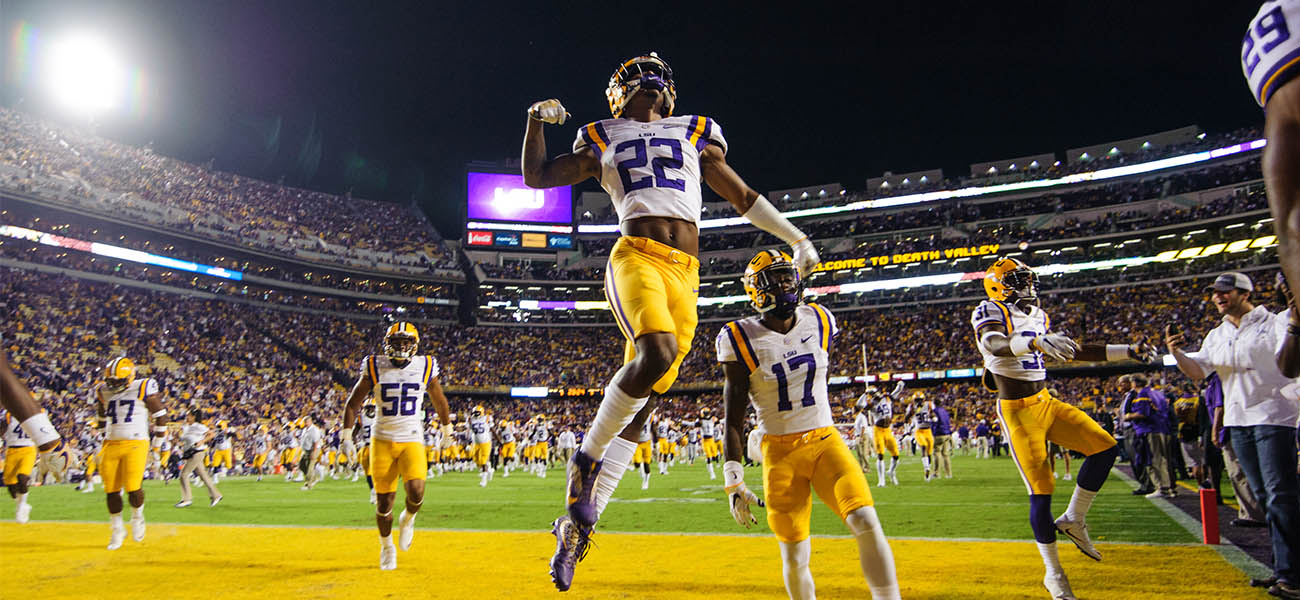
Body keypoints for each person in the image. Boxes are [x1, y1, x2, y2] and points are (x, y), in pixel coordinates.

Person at [524, 53, 822, 592]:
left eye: (655, 74)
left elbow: (743, 196)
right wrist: (534, 122)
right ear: (617, 93)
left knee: (643, 405)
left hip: (687, 272)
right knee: (657, 352)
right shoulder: (600, 134)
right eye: (636, 74)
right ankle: (584, 462)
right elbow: (537, 177)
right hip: (635, 254)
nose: (648, 80)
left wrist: (795, 238)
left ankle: (574, 528)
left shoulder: (696, 131)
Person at [718, 249, 899, 599]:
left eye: (789, 276)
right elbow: (733, 416)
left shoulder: (820, 318)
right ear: (757, 290)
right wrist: (733, 479)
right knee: (795, 553)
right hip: (779, 453)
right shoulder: (738, 337)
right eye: (777, 279)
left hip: (825, 441)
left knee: (865, 519)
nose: (786, 285)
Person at [971, 257, 1156, 600]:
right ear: (998, 284)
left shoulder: (1039, 316)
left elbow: (1075, 351)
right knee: (1042, 491)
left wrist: (1127, 351)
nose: (1027, 284)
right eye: (1017, 279)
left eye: (1027, 278)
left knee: (1105, 448)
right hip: (1018, 412)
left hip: (1046, 402)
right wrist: (1034, 343)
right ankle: (1054, 573)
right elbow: (993, 344)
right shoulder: (989, 309)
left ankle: (1073, 518)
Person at [1167, 271, 1300, 596]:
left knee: (1280, 496)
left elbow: (1292, 358)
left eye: (1225, 291)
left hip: (1274, 416)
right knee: (1266, 498)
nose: (1217, 296)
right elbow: (1199, 371)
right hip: (1239, 422)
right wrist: (1178, 353)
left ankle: (1293, 576)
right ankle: (1284, 570)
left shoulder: (1276, 322)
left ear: (1245, 293)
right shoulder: (1217, 334)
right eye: (1214, 292)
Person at [342, 322, 452, 571]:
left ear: (414, 345)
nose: (401, 347)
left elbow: (438, 399)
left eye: (406, 342)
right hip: (381, 440)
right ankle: (386, 547)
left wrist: (448, 429)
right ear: (387, 344)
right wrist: (346, 436)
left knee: (416, 492)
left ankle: (408, 519)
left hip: (412, 438)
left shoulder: (425, 365)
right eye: (396, 342)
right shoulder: (374, 365)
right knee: (383, 504)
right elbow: (352, 403)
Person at [94, 357, 169, 550]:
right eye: (111, 381)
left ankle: (137, 518)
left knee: (133, 488)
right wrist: (103, 434)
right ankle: (117, 528)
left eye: (118, 381)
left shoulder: (142, 386)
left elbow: (161, 416)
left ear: (129, 376)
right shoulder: (103, 391)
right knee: (110, 491)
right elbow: (101, 416)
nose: (113, 384)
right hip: (111, 443)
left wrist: (157, 443)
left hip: (136, 442)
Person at [1122, 374, 1174, 498]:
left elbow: (1143, 413)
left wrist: (1128, 416)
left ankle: (1162, 488)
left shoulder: (1143, 394)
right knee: (1164, 459)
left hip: (1150, 429)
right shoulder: (1157, 392)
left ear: (1135, 383)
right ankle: (1169, 487)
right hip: (1163, 428)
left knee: (1154, 459)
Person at [176, 410, 222, 508]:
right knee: (203, 476)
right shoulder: (188, 427)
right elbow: (184, 440)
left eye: (188, 415)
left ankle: (186, 499)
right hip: (191, 453)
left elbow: (212, 434)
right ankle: (216, 495)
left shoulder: (198, 426)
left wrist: (202, 441)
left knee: (184, 475)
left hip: (197, 453)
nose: (186, 417)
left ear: (193, 416)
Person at [2, 409, 36, 523]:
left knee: (23, 477)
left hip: (28, 449)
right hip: (12, 450)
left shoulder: (34, 413)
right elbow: (2, 429)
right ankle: (21, 505)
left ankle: (22, 506)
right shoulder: (8, 414)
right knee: (11, 488)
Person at [906, 394, 936, 482]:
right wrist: (912, 411)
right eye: (917, 400)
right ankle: (926, 468)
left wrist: (933, 417)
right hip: (919, 431)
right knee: (923, 447)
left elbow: (932, 413)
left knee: (929, 452)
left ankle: (928, 470)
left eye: (920, 400)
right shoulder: (911, 406)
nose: (918, 402)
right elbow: (907, 418)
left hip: (928, 430)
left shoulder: (929, 404)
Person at [468, 405, 493, 487]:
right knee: (476, 460)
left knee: (483, 461)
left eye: (477, 412)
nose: (475, 414)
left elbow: (492, 429)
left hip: (485, 442)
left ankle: (484, 481)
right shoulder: (470, 419)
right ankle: (489, 470)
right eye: (474, 412)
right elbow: (469, 430)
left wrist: (498, 440)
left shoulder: (487, 418)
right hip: (476, 443)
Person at [298, 415, 324, 491]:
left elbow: (316, 442)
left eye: (306, 422)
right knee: (302, 465)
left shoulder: (314, 430)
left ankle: (308, 485)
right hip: (306, 450)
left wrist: (314, 452)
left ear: (310, 421)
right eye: (304, 422)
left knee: (310, 467)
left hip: (313, 450)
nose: (305, 423)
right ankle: (314, 478)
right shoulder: (305, 429)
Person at [931, 397, 954, 479]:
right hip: (947, 433)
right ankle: (949, 473)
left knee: (937, 453)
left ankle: (937, 473)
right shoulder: (945, 411)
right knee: (945, 454)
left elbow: (934, 423)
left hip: (939, 434)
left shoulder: (935, 411)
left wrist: (933, 432)